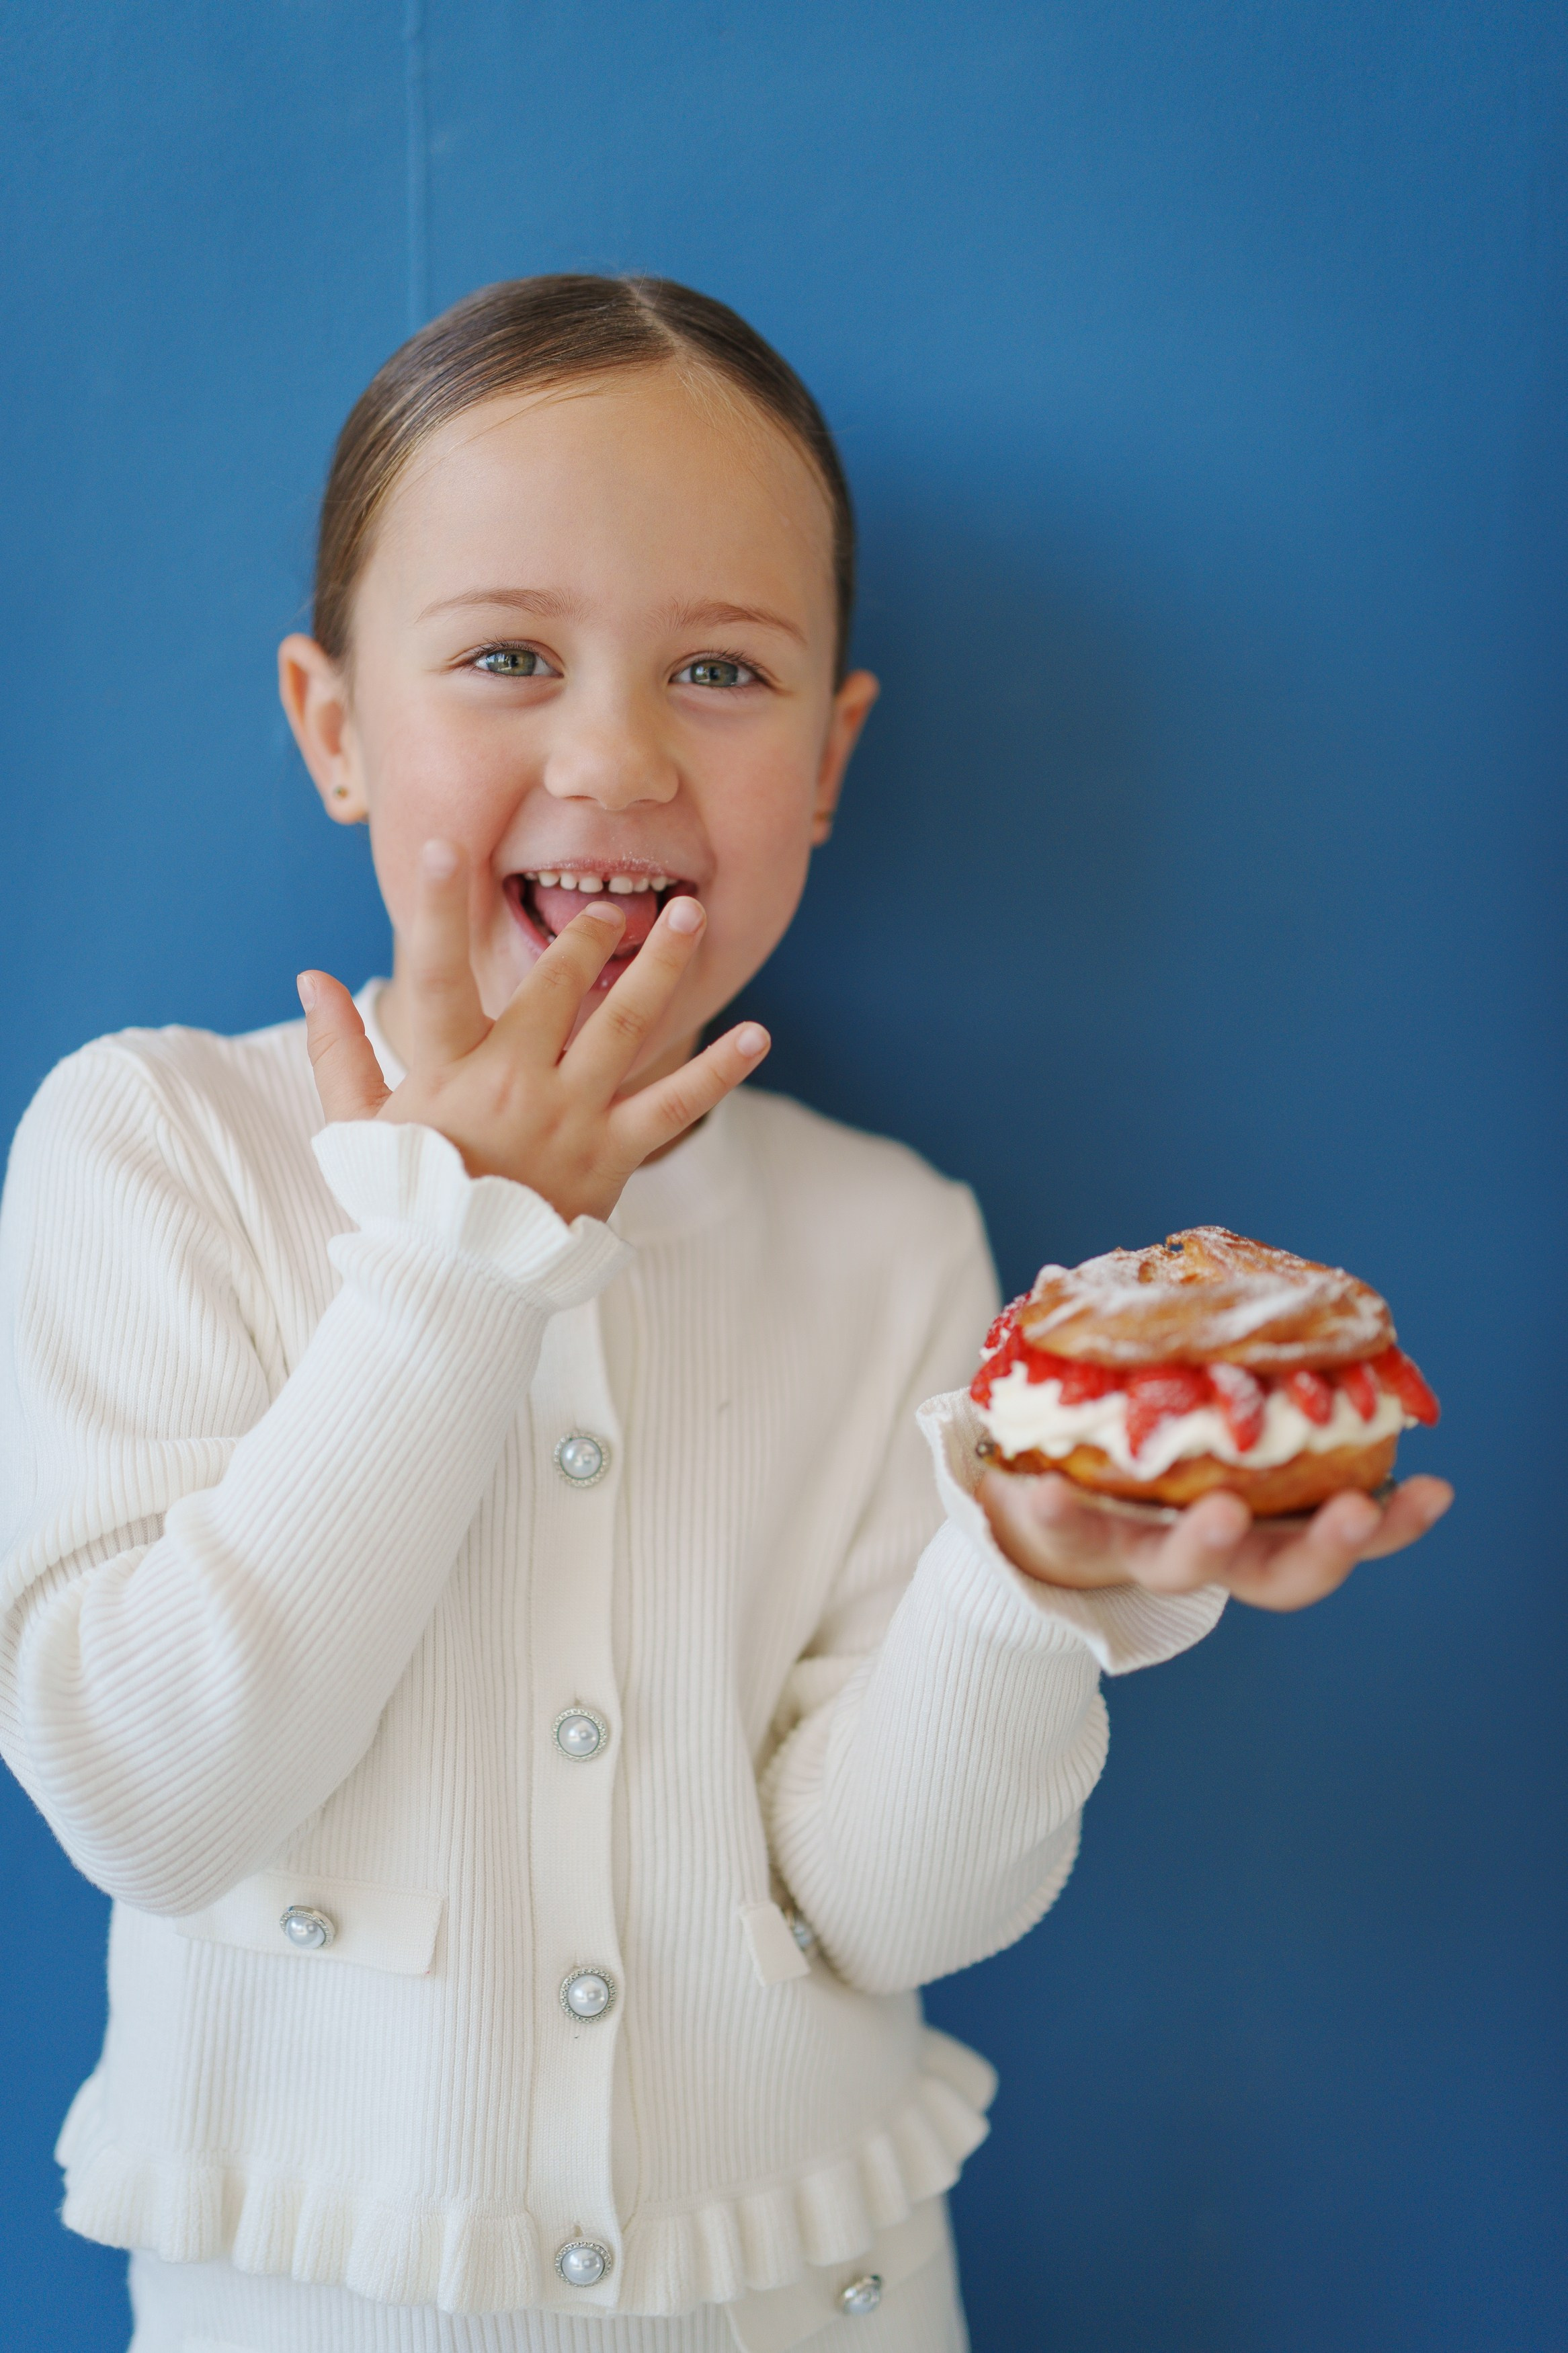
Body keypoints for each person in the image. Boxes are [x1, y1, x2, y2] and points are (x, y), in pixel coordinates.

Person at [0, 276, 1451, 2353]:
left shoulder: (891, 1238)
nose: (614, 753)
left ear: (833, 752)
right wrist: (459, 1254)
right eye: (507, 656)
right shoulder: (153, 1150)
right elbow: (151, 1788)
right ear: (334, 727)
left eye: (721, 670)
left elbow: (899, 1901)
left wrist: (1024, 1573)